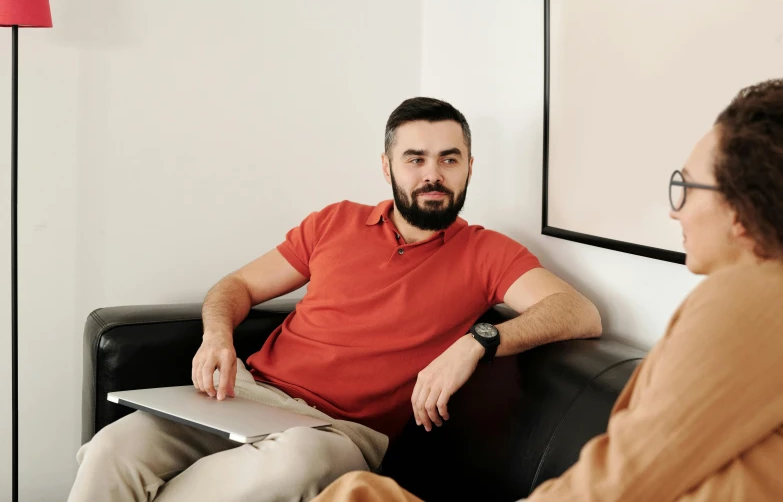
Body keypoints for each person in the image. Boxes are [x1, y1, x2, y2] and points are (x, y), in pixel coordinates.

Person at [67, 97, 602, 502]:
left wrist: (477, 342)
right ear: (387, 167)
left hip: (336, 432)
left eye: (449, 158)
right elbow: (238, 286)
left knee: (292, 464)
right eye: (415, 159)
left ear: (468, 168)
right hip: (245, 393)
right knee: (111, 450)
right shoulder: (335, 222)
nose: (432, 174)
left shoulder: (487, 252)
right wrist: (216, 337)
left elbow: (579, 312)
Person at [311, 79, 783, 502]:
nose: (674, 212)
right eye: (415, 158)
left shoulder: (750, 300)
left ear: (740, 206)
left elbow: (624, 478)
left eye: (686, 187)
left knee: (352, 492)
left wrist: (479, 340)